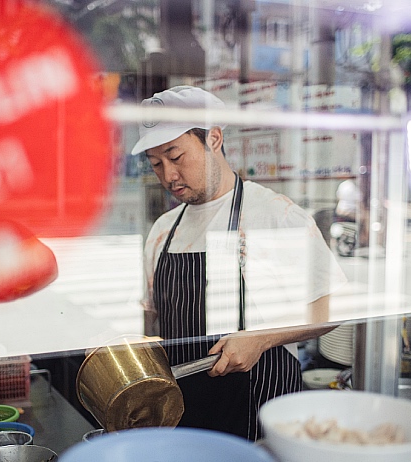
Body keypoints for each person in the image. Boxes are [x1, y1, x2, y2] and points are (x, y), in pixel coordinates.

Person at [132, 86, 347, 440]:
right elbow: (151, 325)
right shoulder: (162, 231)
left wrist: (260, 339)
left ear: (214, 138)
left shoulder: (275, 215)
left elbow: (332, 309)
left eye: (176, 156)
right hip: (180, 422)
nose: (168, 175)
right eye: (156, 163)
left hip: (259, 418)